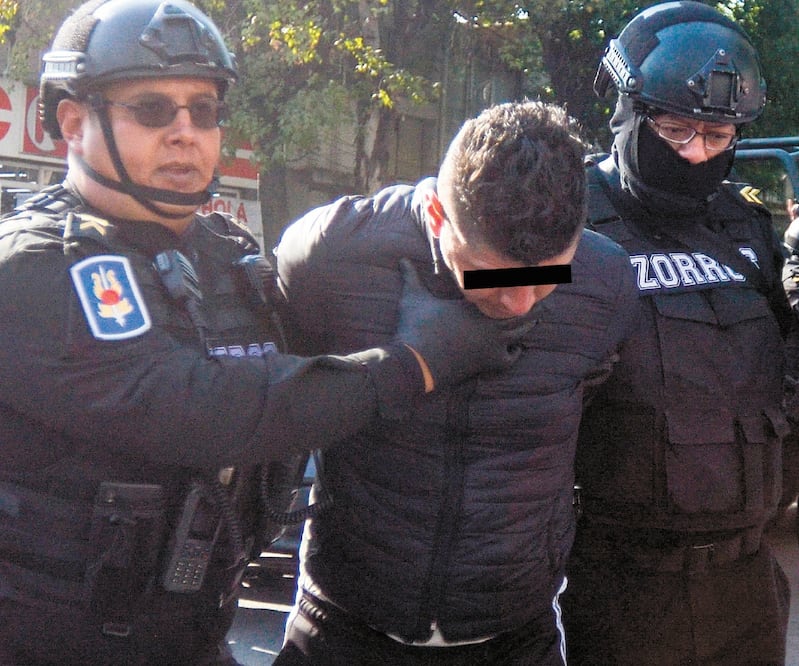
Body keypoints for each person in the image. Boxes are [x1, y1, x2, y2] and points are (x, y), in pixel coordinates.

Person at [0, 1, 533, 663]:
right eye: (152, 110)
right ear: (74, 123)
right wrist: (414, 364)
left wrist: (484, 276)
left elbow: (315, 365)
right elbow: (196, 408)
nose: (185, 132)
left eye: (205, 109)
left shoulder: (226, 256)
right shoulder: (35, 265)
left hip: (195, 641)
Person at [271, 100, 639, 665]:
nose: (519, 304)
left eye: (546, 280)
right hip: (345, 628)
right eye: (494, 275)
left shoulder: (606, 280)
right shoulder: (328, 257)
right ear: (440, 217)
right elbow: (279, 404)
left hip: (515, 638)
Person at [562, 2, 795, 664]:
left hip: (747, 588)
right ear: (629, 113)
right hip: (615, 590)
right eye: (674, 129)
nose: (696, 153)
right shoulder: (562, 222)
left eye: (718, 137)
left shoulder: (744, 228)